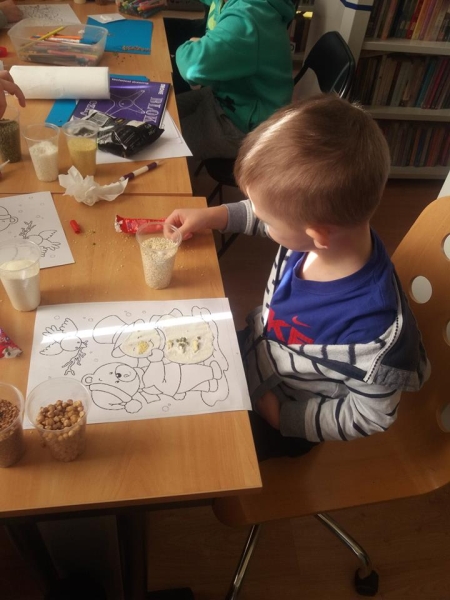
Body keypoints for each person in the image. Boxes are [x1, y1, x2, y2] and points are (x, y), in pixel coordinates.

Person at [165, 93, 429, 460]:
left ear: (316, 234)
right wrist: (215, 216)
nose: (261, 218)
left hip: (283, 414)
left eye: (267, 219)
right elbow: (275, 213)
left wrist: (285, 418)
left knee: (196, 447)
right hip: (256, 351)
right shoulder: (328, 234)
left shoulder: (373, 335)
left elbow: (371, 415)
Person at [171, 0, 296, 160]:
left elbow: (192, 67)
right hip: (227, 97)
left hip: (243, 125)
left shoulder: (248, 17)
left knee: (159, 144)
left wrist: (191, 44)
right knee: (158, 114)